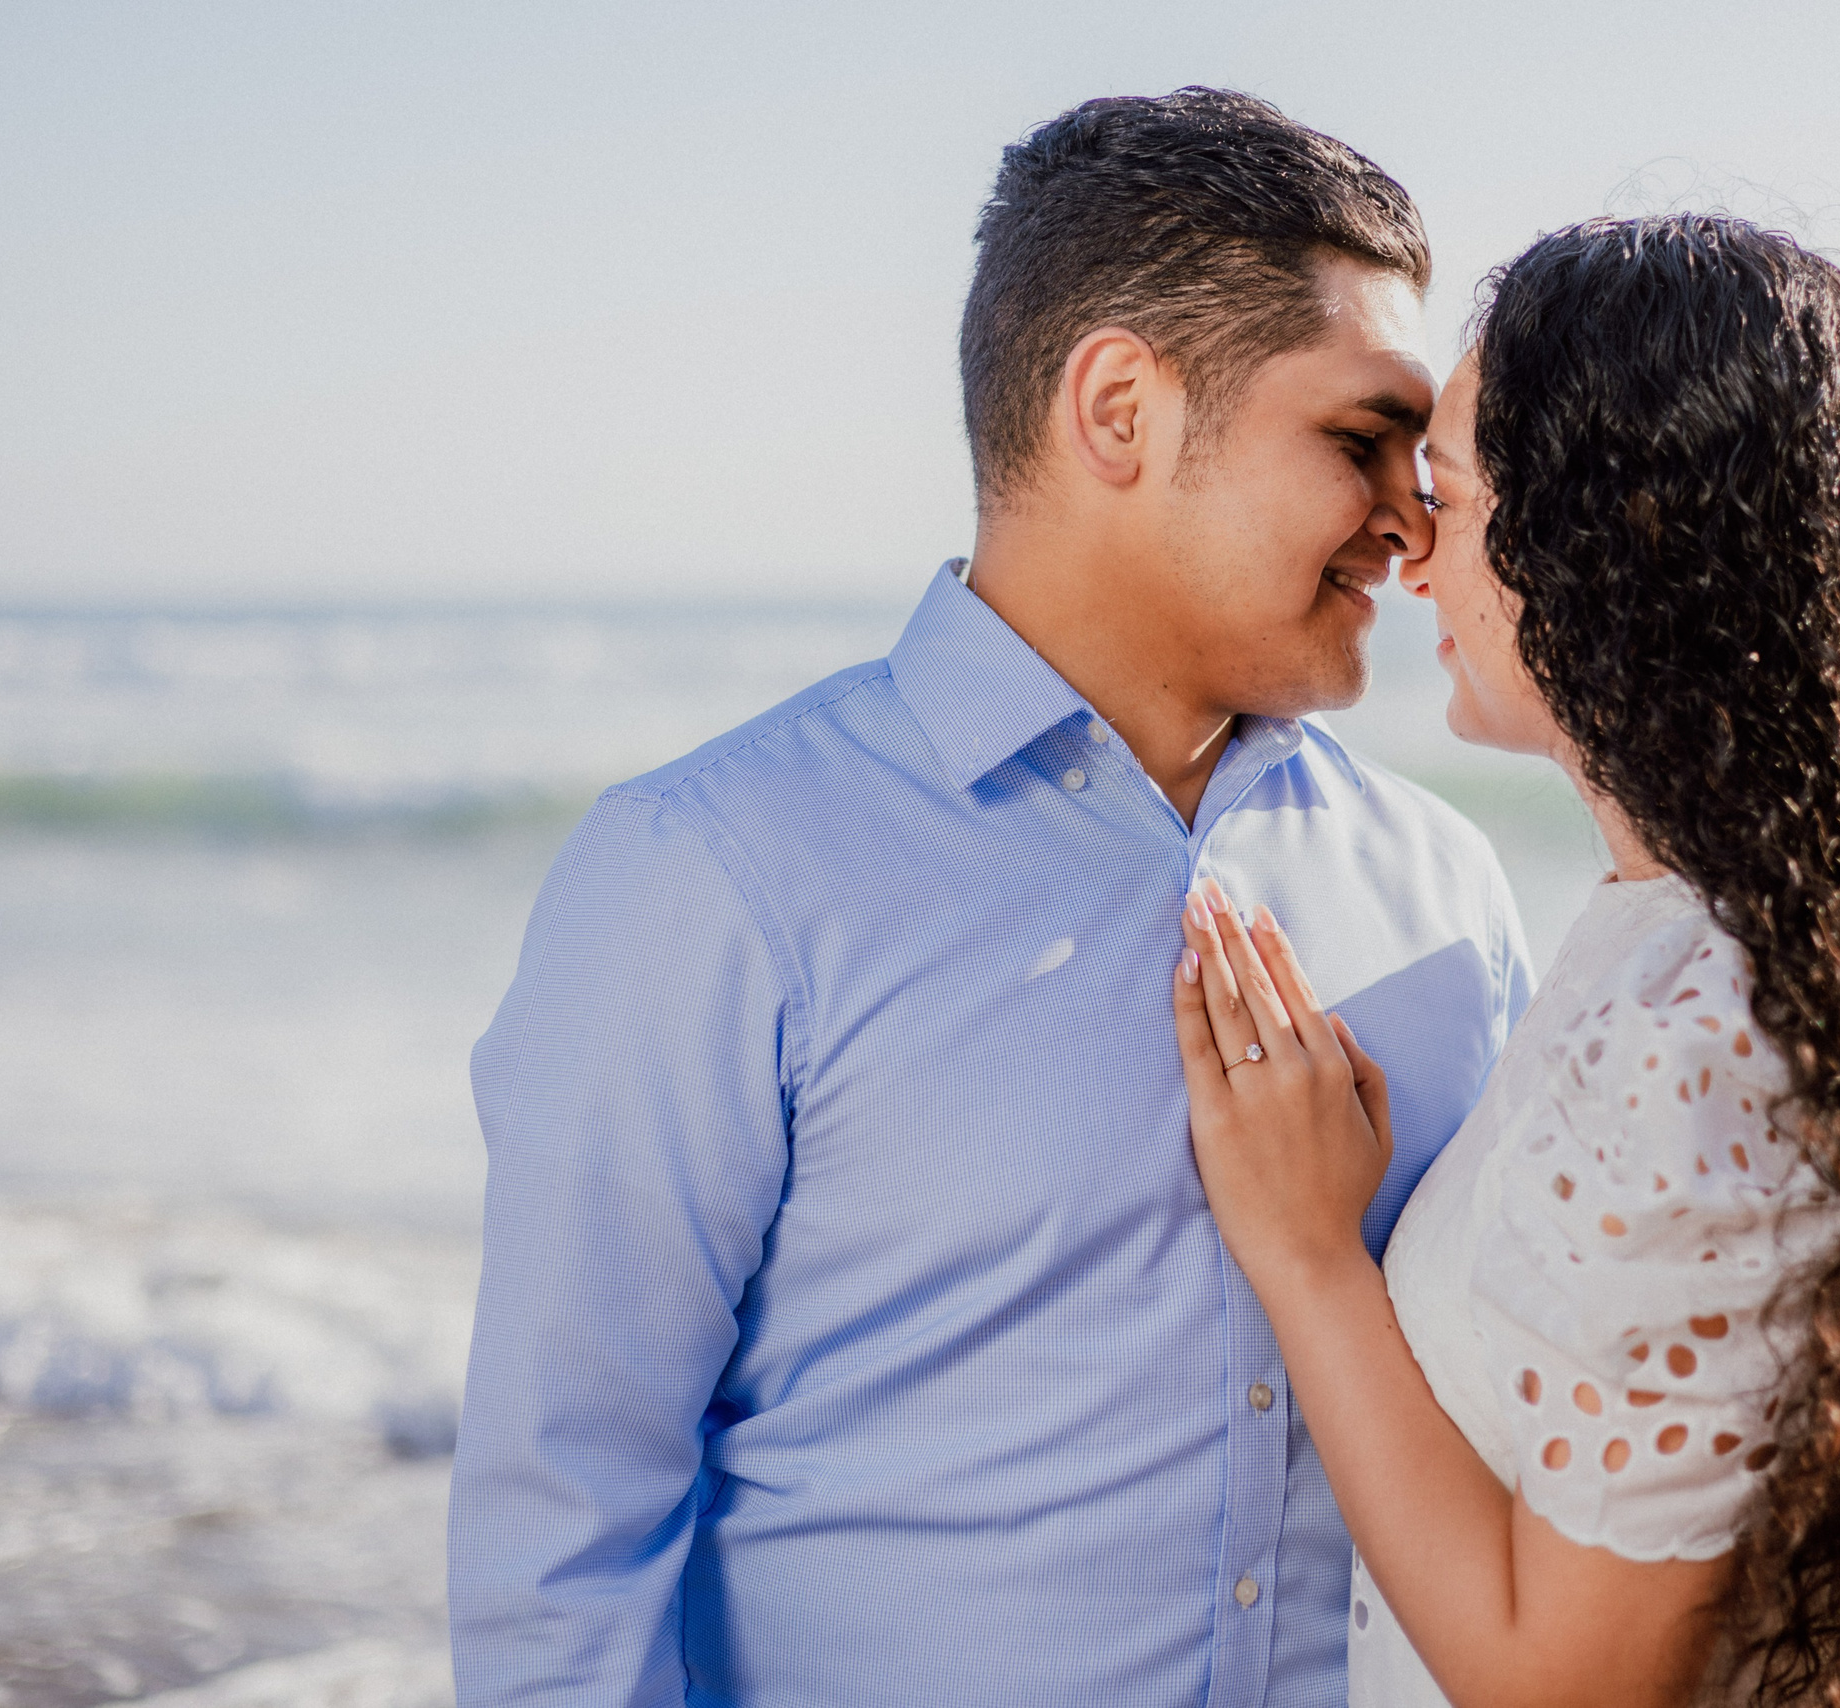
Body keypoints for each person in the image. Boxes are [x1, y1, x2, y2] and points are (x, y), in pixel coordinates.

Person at [447, 90, 1533, 1706]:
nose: (1415, 517)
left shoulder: (1442, 889)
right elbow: (562, 1551)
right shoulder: (715, 877)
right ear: (1118, 410)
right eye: (1357, 440)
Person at [1171, 217, 1840, 1708]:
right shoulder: (1751, 944)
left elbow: (1571, 1689)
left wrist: (1307, 1260)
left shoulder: (1702, 1029)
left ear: (1624, 542)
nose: (1411, 542)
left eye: (1460, 495)